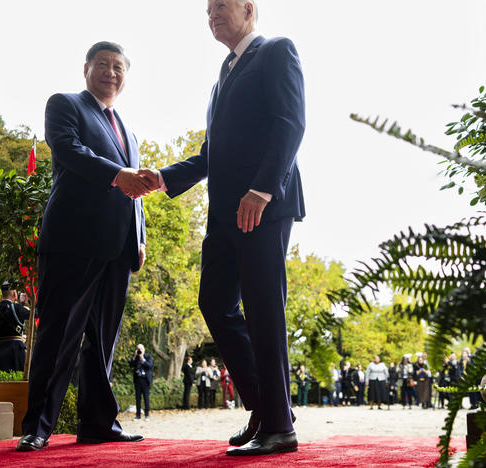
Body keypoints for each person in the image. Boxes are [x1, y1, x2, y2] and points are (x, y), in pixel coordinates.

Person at [141, 0, 305, 456]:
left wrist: (263, 190)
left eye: (220, 5)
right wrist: (164, 178)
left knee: (263, 310)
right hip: (223, 215)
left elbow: (290, 124)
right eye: (207, 8)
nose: (210, 13)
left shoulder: (277, 51)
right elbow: (210, 153)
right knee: (214, 302)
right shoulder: (223, 74)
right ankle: (266, 407)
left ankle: (279, 428)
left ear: (249, 9)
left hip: (262, 207)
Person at [16, 41, 149, 452]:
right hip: (73, 241)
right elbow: (71, 152)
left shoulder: (127, 128)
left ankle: (97, 424)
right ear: (87, 67)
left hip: (119, 249)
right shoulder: (65, 105)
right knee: (58, 336)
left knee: (102, 343)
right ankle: (37, 426)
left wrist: (139, 236)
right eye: (104, 64)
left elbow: (136, 191)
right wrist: (119, 174)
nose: (112, 72)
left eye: (119, 67)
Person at [0, 281, 29, 371]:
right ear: (14, 293)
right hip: (15, 353)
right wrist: (30, 300)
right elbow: (36, 313)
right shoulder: (17, 308)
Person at [130, 344, 153, 420]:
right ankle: (138, 415)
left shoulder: (148, 356)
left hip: (145, 380)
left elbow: (149, 366)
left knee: (146, 398)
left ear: (144, 349)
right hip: (137, 380)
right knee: (138, 399)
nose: (140, 350)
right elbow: (131, 365)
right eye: (138, 349)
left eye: (141, 348)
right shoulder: (135, 357)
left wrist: (142, 358)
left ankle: (147, 415)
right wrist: (134, 356)